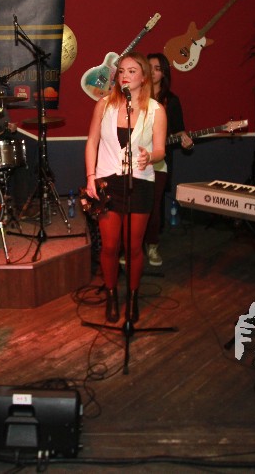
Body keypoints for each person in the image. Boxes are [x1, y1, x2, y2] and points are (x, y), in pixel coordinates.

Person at [84, 52, 166, 323]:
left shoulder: (156, 110)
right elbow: (92, 142)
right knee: (110, 246)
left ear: (143, 77)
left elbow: (160, 150)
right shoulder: (104, 105)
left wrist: (149, 156)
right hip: (107, 181)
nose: (125, 76)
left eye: (132, 71)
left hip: (139, 182)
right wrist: (90, 177)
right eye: (121, 71)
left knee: (133, 248)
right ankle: (111, 295)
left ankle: (132, 297)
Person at [144, 53, 193, 266]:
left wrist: (185, 140)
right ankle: (131, 247)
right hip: (135, 160)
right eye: (149, 67)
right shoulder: (135, 96)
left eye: (157, 68)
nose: (153, 72)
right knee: (134, 205)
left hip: (158, 161)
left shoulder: (171, 101)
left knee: (154, 205)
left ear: (163, 73)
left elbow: (179, 130)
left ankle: (152, 246)